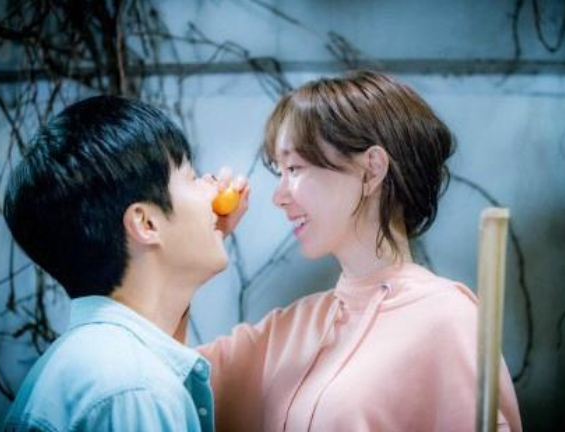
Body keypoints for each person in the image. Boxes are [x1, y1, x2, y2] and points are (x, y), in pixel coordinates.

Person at [197, 71, 522, 432]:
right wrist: (195, 245)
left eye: (294, 168)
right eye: (280, 172)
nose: (279, 196)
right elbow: (166, 382)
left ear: (372, 170)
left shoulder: (447, 318)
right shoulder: (287, 329)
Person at [2, 96, 247, 432]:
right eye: (192, 178)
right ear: (146, 224)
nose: (212, 187)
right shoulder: (135, 389)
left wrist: (204, 235)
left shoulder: (95, 358)